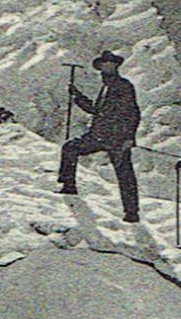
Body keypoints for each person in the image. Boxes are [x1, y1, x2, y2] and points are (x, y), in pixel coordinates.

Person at [57, 51, 140, 222]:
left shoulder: (124, 86)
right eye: (104, 65)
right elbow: (96, 110)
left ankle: (132, 213)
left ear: (116, 66)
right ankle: (69, 186)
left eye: (109, 64)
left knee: (125, 175)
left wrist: (129, 138)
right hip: (98, 135)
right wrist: (77, 96)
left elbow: (133, 113)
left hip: (117, 139)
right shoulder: (106, 88)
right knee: (70, 148)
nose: (106, 67)